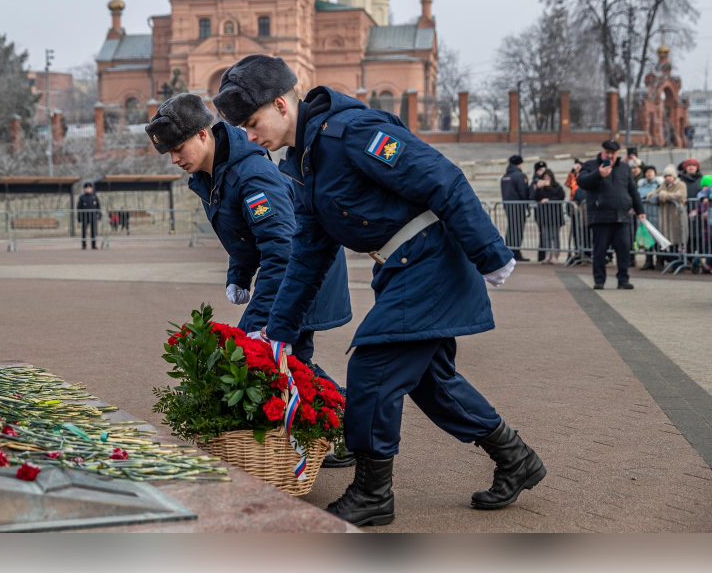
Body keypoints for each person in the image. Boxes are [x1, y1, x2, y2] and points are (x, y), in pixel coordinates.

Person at [214, 54, 545, 527]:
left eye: (251, 122)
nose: (248, 136)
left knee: (372, 367)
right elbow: (309, 253)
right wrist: (278, 331)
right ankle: (516, 459)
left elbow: (441, 177)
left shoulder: (349, 133)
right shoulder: (305, 164)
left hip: (431, 260)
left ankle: (372, 493)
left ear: (282, 105)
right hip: (400, 268)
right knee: (432, 383)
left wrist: (489, 252)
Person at [145, 93, 355, 467]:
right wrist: (238, 274)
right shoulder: (213, 173)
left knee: (275, 358)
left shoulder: (251, 173)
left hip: (305, 276)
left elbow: (282, 249)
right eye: (170, 154)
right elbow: (242, 234)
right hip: (288, 273)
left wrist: (258, 320)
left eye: (178, 148)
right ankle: (338, 430)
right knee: (291, 361)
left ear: (203, 135)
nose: (175, 160)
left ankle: (348, 424)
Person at [577, 140, 646, 290]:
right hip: (600, 217)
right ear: (602, 152)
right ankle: (599, 280)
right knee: (600, 252)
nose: (610, 156)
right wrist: (598, 174)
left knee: (624, 251)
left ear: (617, 154)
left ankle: (623, 279)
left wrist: (640, 210)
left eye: (613, 153)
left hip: (621, 217)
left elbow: (632, 190)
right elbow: (581, 181)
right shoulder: (590, 165)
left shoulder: (624, 168)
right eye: (607, 152)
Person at [644, 165, 687, 270]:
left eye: (670, 175)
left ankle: (679, 263)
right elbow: (654, 193)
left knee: (678, 240)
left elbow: (680, 195)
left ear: (674, 176)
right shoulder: (663, 185)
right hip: (666, 217)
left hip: (677, 216)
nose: (668, 178)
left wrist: (663, 196)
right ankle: (672, 262)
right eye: (666, 176)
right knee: (670, 241)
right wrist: (651, 196)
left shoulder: (681, 184)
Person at [500, 155, 531, 262]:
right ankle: (515, 252)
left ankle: (510, 251)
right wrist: (527, 206)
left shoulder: (505, 176)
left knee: (511, 228)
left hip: (508, 206)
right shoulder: (519, 176)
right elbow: (523, 192)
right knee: (517, 229)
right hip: (518, 206)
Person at [533, 170, 565, 264]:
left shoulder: (557, 187)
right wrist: (538, 188)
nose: (547, 179)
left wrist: (549, 199)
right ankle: (547, 256)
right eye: (545, 177)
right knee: (546, 236)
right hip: (544, 216)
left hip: (555, 215)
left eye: (548, 177)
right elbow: (535, 198)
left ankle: (555, 255)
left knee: (554, 236)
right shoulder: (541, 188)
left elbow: (561, 197)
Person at [637, 166, 661, 270]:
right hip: (645, 215)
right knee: (647, 239)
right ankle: (648, 260)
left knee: (658, 238)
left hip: (657, 215)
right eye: (647, 172)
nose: (649, 174)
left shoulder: (659, 185)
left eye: (651, 171)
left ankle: (660, 260)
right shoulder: (641, 186)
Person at [689, 174, 712, 274]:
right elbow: (701, 194)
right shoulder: (710, 188)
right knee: (708, 244)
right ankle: (708, 264)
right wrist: (703, 198)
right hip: (710, 222)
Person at [76, 182, 102, 249]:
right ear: (84, 189)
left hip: (93, 216)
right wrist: (79, 216)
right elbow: (79, 207)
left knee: (93, 231)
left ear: (91, 189)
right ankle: (84, 245)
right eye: (87, 188)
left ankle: (93, 245)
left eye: (89, 188)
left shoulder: (94, 197)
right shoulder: (82, 197)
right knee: (84, 231)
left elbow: (98, 206)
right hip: (85, 216)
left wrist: (99, 214)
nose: (88, 189)